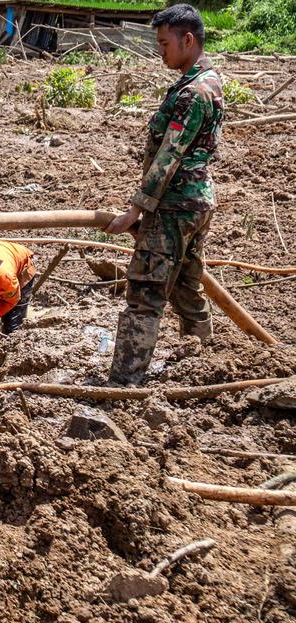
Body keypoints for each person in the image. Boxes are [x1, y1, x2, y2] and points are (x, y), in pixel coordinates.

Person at [103, 3, 222, 385]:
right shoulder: (210, 81)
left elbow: (168, 157)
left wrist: (134, 212)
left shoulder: (192, 94)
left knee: (145, 290)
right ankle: (204, 365)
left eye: (165, 43)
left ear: (188, 40)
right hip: (197, 201)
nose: (161, 51)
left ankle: (124, 381)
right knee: (187, 285)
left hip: (173, 204)